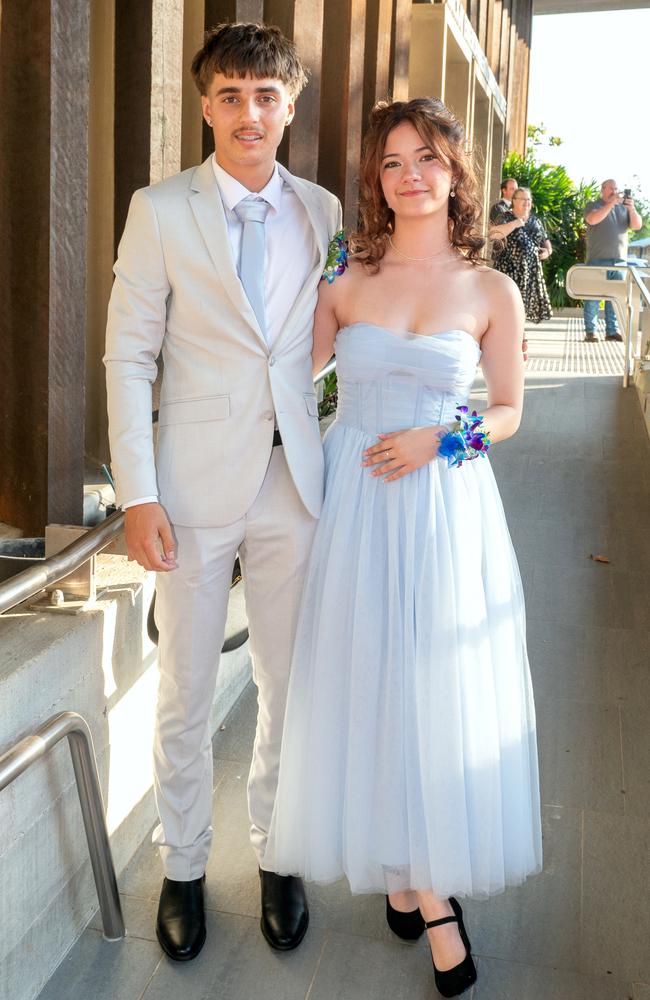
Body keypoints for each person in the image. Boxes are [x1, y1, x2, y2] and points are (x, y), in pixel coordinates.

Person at [262, 98, 543, 999]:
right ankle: (421, 885)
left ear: (456, 172)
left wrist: (442, 438)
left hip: (446, 507)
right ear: (375, 182)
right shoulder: (348, 281)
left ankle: (424, 879)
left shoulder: (489, 288)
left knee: (433, 685)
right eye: (391, 162)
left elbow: (508, 411)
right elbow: (286, 381)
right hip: (356, 507)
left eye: (427, 158)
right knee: (371, 678)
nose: (410, 174)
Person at [104, 22, 341, 962]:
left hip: (297, 481)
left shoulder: (324, 211)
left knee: (287, 684)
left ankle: (278, 855)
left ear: (292, 103)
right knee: (186, 687)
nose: (250, 113)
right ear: (206, 105)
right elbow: (130, 355)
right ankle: (184, 865)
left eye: (267, 96)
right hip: (191, 487)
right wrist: (137, 491)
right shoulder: (159, 209)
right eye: (231, 96)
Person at [582, 178, 642, 342]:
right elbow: (592, 220)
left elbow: (637, 226)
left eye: (617, 189)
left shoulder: (624, 208)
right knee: (593, 298)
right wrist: (610, 204)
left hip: (619, 262)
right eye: (611, 188)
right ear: (603, 189)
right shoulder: (593, 205)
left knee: (615, 299)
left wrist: (631, 209)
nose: (615, 192)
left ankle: (611, 331)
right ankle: (590, 332)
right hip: (597, 261)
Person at [489, 187, 553, 324]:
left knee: (523, 307)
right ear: (514, 201)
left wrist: (547, 252)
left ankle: (520, 335)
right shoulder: (505, 216)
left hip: (530, 271)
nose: (527, 202)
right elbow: (493, 234)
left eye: (529, 199)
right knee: (507, 306)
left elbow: (546, 242)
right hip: (509, 270)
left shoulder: (535, 220)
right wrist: (515, 224)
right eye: (523, 199)